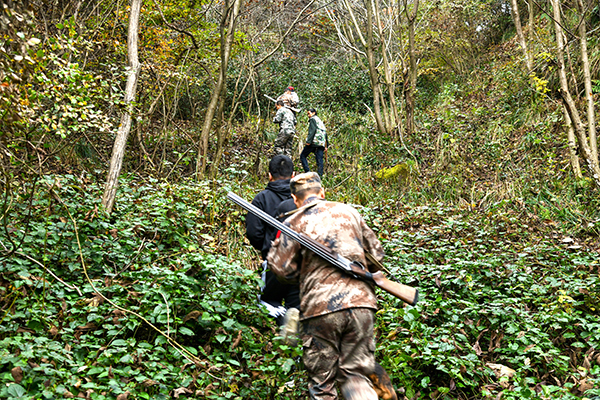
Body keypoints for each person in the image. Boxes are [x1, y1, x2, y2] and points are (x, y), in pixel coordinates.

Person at [267, 172, 395, 400]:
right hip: (361, 305)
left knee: (323, 385)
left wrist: (305, 276)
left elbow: (280, 269)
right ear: (323, 193)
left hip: (320, 309)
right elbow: (377, 254)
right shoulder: (351, 212)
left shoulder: (293, 222)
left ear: (295, 199)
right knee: (356, 377)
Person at [245, 155, 300, 326]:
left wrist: (267, 249)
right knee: (296, 309)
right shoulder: (301, 200)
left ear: (269, 175)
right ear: (293, 175)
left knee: (268, 304)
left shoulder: (261, 199)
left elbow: (254, 233)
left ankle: (273, 343)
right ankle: (294, 347)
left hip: (273, 263)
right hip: (301, 264)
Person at [300, 108, 328, 177]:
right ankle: (320, 176)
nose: (308, 115)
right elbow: (325, 132)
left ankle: (307, 172)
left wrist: (308, 142)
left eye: (309, 113)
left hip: (314, 142)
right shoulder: (320, 121)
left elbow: (312, 131)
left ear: (314, 113)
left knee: (303, 156)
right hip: (321, 143)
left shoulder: (313, 119)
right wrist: (326, 145)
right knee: (319, 160)